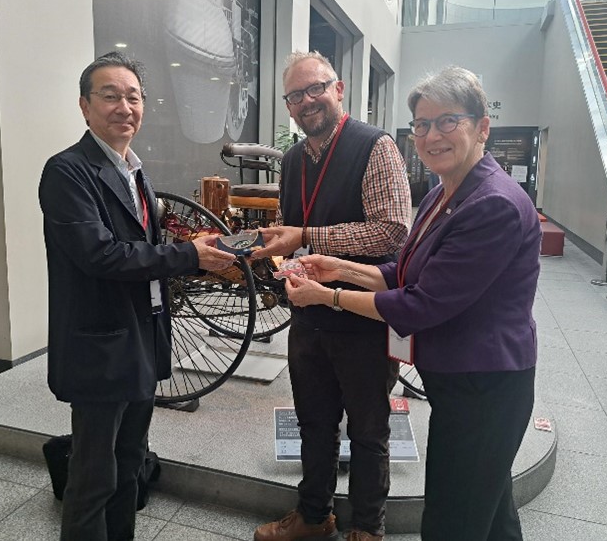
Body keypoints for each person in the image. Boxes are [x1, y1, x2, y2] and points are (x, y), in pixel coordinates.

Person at [285, 66, 541, 541]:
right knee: (492, 516)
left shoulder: (493, 204)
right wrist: (337, 267)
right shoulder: (444, 194)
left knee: (453, 521)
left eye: (448, 121)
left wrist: (328, 295)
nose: (431, 135)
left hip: (483, 386)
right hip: (460, 382)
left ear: (483, 127)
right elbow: (401, 272)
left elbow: (420, 304)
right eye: (422, 125)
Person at [39, 51, 235, 541]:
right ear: (84, 106)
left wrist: (196, 254)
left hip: (142, 339)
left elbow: (145, 250)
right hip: (99, 345)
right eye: (110, 96)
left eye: (133, 96)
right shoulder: (67, 171)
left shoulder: (135, 172)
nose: (124, 106)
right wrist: (188, 256)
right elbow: (101, 256)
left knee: (129, 465)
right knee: (92, 476)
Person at [251, 51, 411, 541]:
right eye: (295, 96)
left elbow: (392, 232)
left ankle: (367, 529)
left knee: (368, 433)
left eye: (315, 88)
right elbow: (294, 233)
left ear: (338, 89)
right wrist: (277, 258)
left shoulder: (375, 146)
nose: (306, 101)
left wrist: (305, 237)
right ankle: (314, 517)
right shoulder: (294, 159)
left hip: (363, 317)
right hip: (309, 319)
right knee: (314, 424)